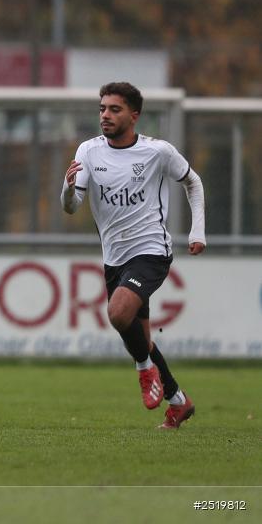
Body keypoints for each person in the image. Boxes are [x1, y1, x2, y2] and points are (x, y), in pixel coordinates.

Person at [61, 82, 205, 430]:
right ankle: (178, 401)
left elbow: (193, 182)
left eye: (114, 109)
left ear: (134, 115)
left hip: (151, 250)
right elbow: (72, 207)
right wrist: (67, 189)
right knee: (139, 334)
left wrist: (197, 230)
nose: (105, 115)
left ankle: (144, 372)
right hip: (115, 257)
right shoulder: (89, 151)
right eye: (102, 109)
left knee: (117, 312)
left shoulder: (157, 152)